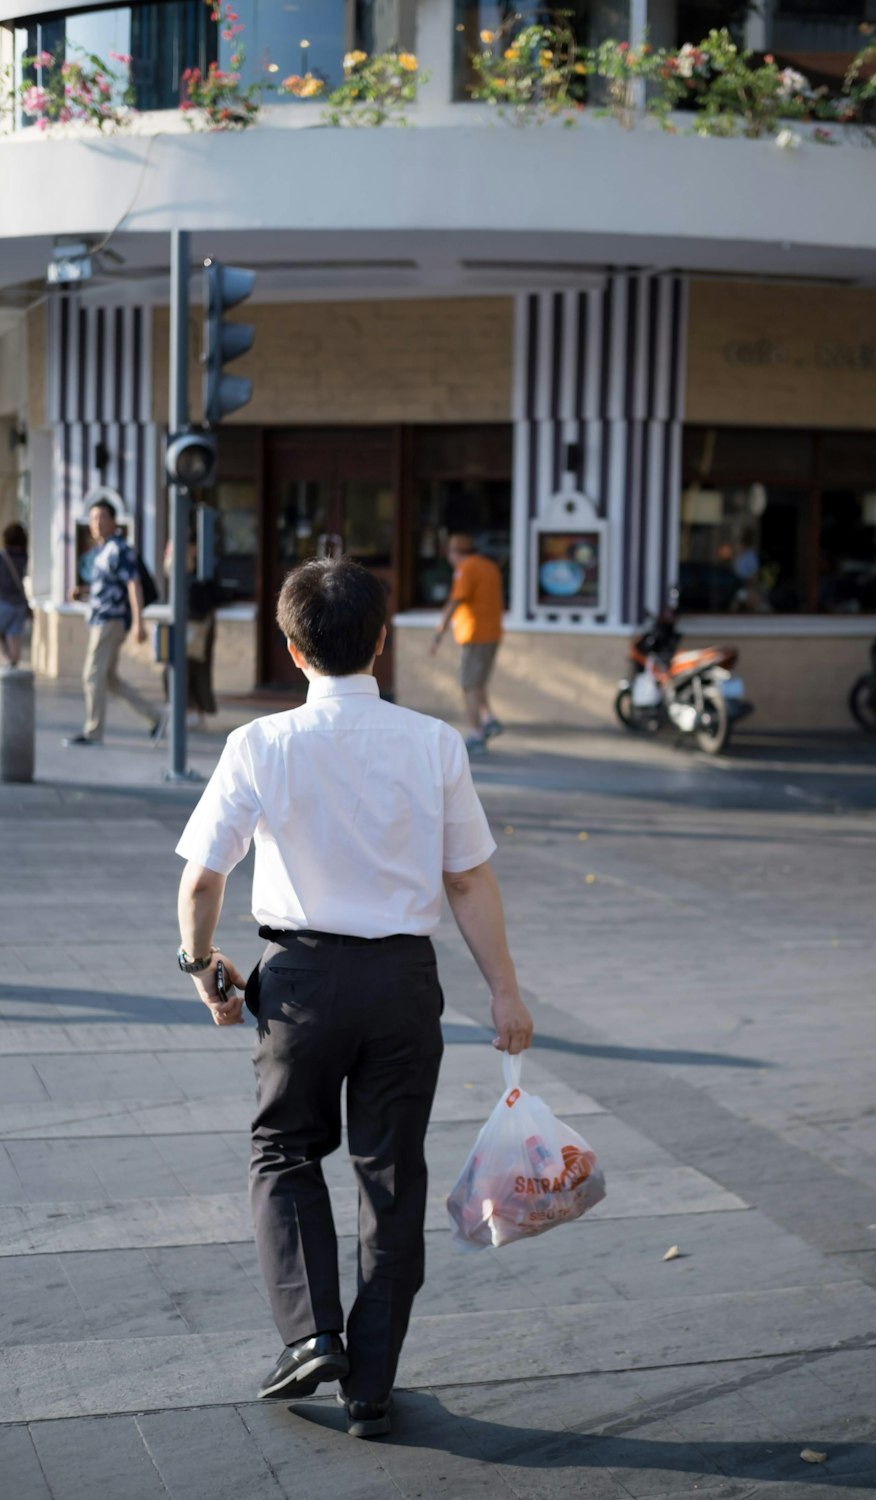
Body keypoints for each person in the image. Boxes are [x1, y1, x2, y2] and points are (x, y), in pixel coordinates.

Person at [175, 556, 532, 1439]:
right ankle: (370, 1381)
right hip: (405, 984)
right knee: (391, 1175)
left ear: (292, 650)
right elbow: (470, 883)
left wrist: (203, 969)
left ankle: (309, 1336)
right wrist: (505, 993)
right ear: (381, 641)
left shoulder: (259, 744)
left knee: (285, 1154)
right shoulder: (435, 743)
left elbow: (201, 881)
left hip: (297, 984)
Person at [64, 499, 164, 747]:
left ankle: (93, 732)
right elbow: (108, 585)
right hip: (99, 619)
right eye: (93, 518)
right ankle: (156, 717)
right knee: (109, 679)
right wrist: (84, 591)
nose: (96, 523)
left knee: (91, 675)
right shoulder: (102, 550)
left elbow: (133, 584)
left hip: (110, 621)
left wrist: (139, 621)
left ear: (112, 521)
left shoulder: (120, 549)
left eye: (101, 518)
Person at [430, 533, 505, 754]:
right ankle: (489, 718)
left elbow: (455, 601)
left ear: (455, 553)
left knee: (468, 684)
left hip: (474, 634)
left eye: (450, 555)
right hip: (492, 632)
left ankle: (477, 734)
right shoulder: (488, 566)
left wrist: (438, 633)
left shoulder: (466, 568)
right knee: (478, 681)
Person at [163, 539, 222, 730]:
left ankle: (193, 711)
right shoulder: (180, 572)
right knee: (175, 669)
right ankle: (189, 711)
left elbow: (209, 597)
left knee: (192, 670)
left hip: (197, 627)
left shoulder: (202, 570)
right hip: (184, 626)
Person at [0, 522, 30, 669]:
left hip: (4, 602)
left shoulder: (3, 556)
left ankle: (7, 659)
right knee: (14, 635)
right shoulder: (24, 556)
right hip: (19, 604)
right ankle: (13, 664)